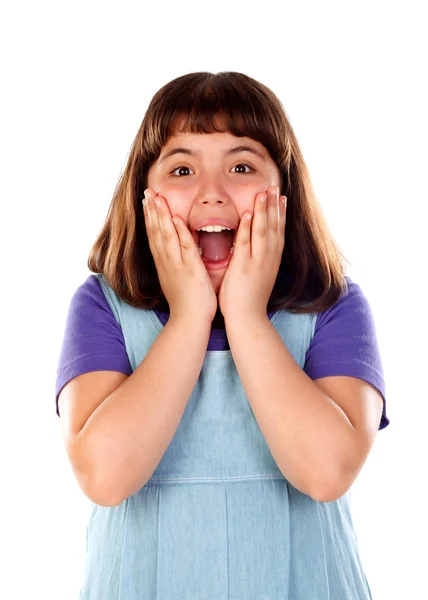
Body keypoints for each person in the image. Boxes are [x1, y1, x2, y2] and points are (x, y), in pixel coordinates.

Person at [55, 71, 390, 599]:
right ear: (145, 195)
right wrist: (190, 315)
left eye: (241, 166)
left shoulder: (334, 305)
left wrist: (246, 315)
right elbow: (105, 476)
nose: (212, 193)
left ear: (284, 191)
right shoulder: (102, 307)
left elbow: (326, 472)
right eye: (183, 168)